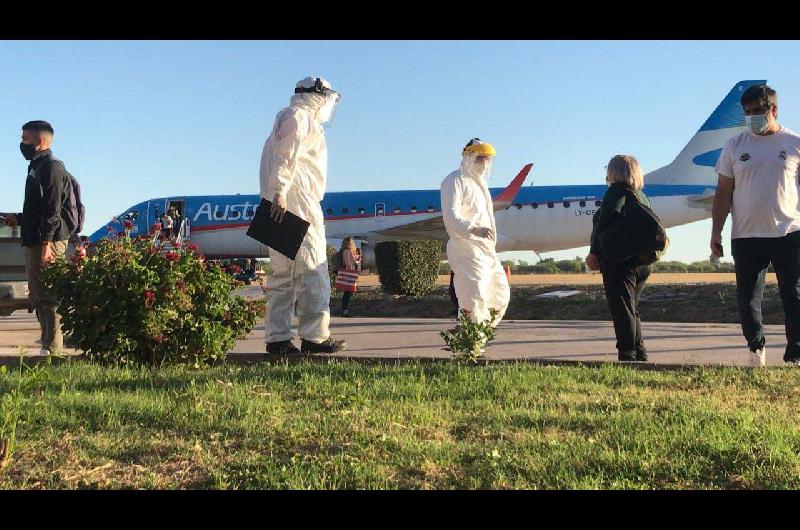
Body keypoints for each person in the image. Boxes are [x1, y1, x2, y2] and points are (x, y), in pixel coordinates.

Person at [710, 83, 800, 367]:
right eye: (747, 112)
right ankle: (756, 346)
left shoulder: (794, 144)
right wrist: (716, 232)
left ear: (773, 110)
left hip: (789, 233)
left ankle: (795, 353)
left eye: (758, 111)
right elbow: (723, 192)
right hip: (747, 235)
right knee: (747, 299)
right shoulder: (734, 146)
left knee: (794, 295)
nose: (752, 117)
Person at [260, 76, 346, 355]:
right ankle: (314, 337)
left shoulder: (287, 118)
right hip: (296, 201)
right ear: (317, 96)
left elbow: (279, 158)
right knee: (312, 268)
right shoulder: (299, 118)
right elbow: (286, 157)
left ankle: (278, 339)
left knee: (282, 275)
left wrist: (276, 192)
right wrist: (281, 190)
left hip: (278, 203)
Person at [1, 121, 72, 355]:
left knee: (46, 294)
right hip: (37, 238)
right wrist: (19, 219)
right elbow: (38, 209)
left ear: (40, 141)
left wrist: (47, 244)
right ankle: (47, 344)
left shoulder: (50, 167)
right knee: (38, 293)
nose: (22, 144)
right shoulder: (36, 166)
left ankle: (52, 348)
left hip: (46, 240)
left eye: (26, 139)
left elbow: (52, 210)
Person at [440, 138, 510, 350]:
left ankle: (475, 335)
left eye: (487, 159)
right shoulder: (454, 180)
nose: (484, 162)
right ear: (468, 156)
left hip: (487, 250)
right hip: (466, 248)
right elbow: (450, 215)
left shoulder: (481, 185)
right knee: (474, 296)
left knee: (500, 295)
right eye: (480, 157)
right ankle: (471, 348)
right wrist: (472, 228)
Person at [586, 155, 652, 362]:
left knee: (622, 311)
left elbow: (603, 222)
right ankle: (640, 354)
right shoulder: (641, 195)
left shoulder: (615, 192)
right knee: (632, 310)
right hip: (642, 263)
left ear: (613, 172)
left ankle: (627, 356)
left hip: (620, 262)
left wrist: (594, 252)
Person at [335, 237, 360, 317]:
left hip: (349, 274)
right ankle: (344, 311)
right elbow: (347, 263)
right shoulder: (346, 251)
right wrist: (355, 261)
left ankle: (345, 310)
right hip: (348, 274)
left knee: (348, 293)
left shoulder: (347, 251)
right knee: (348, 293)